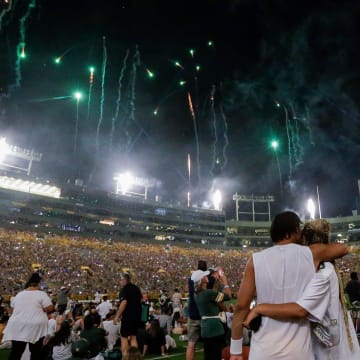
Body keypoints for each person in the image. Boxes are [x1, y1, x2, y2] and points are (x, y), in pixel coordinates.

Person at [230, 211, 348, 360]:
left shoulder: (255, 260)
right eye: (298, 228)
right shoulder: (310, 253)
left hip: (263, 349)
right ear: (290, 232)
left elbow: (241, 306)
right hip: (299, 351)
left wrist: (235, 350)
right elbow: (343, 248)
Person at [2, 272, 54, 360]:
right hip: (35, 327)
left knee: (16, 352)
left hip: (17, 325)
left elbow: (13, 308)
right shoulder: (41, 294)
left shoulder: (19, 294)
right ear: (38, 284)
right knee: (35, 352)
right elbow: (49, 308)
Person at [193, 268, 231, 360]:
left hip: (206, 328)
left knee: (209, 355)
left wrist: (216, 283)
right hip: (215, 328)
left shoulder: (198, 294)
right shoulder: (207, 293)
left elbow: (213, 295)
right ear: (202, 279)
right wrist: (225, 283)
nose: (207, 276)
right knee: (216, 355)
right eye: (205, 276)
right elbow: (228, 296)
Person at [114, 272, 142, 356]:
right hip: (137, 316)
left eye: (120, 280)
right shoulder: (136, 288)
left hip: (128, 317)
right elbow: (140, 301)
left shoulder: (124, 289)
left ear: (124, 280)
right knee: (133, 337)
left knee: (124, 338)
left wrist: (117, 316)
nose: (120, 282)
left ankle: (125, 357)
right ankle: (136, 357)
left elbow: (124, 302)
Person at [186, 260, 207, 360]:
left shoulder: (191, 278)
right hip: (204, 314)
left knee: (191, 344)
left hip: (193, 313)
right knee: (209, 344)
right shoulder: (205, 278)